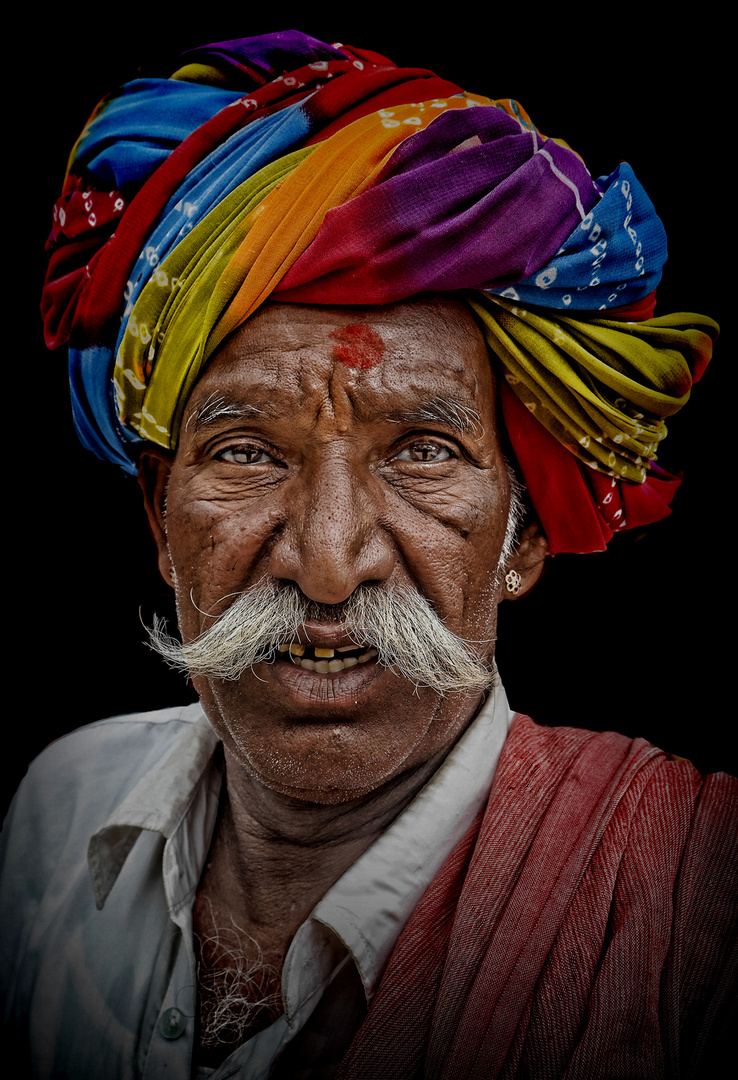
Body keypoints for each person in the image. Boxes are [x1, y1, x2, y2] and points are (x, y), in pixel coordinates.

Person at [2, 28, 735, 1079]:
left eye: (423, 453)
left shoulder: (691, 903)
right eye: (248, 453)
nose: (330, 563)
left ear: (524, 535)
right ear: (161, 520)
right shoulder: (53, 819)